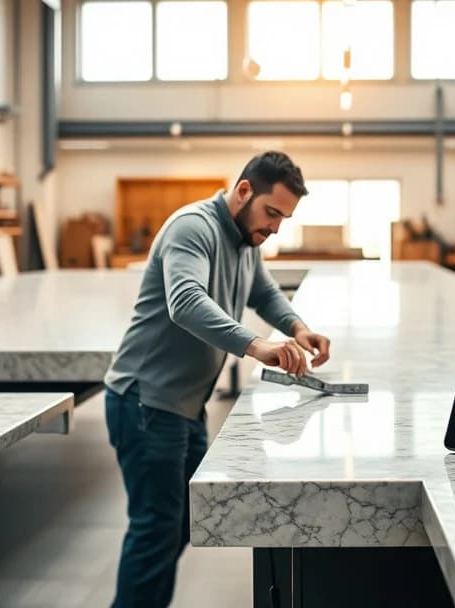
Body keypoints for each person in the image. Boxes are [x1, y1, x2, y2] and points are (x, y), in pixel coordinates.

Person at [103, 151, 331, 607]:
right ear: (244, 191)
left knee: (188, 519)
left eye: (284, 218)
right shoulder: (193, 228)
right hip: (146, 402)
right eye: (271, 213)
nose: (274, 228)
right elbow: (185, 302)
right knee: (156, 532)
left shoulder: (245, 241)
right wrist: (256, 346)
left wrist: (297, 328)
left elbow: (263, 292)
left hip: (184, 407)